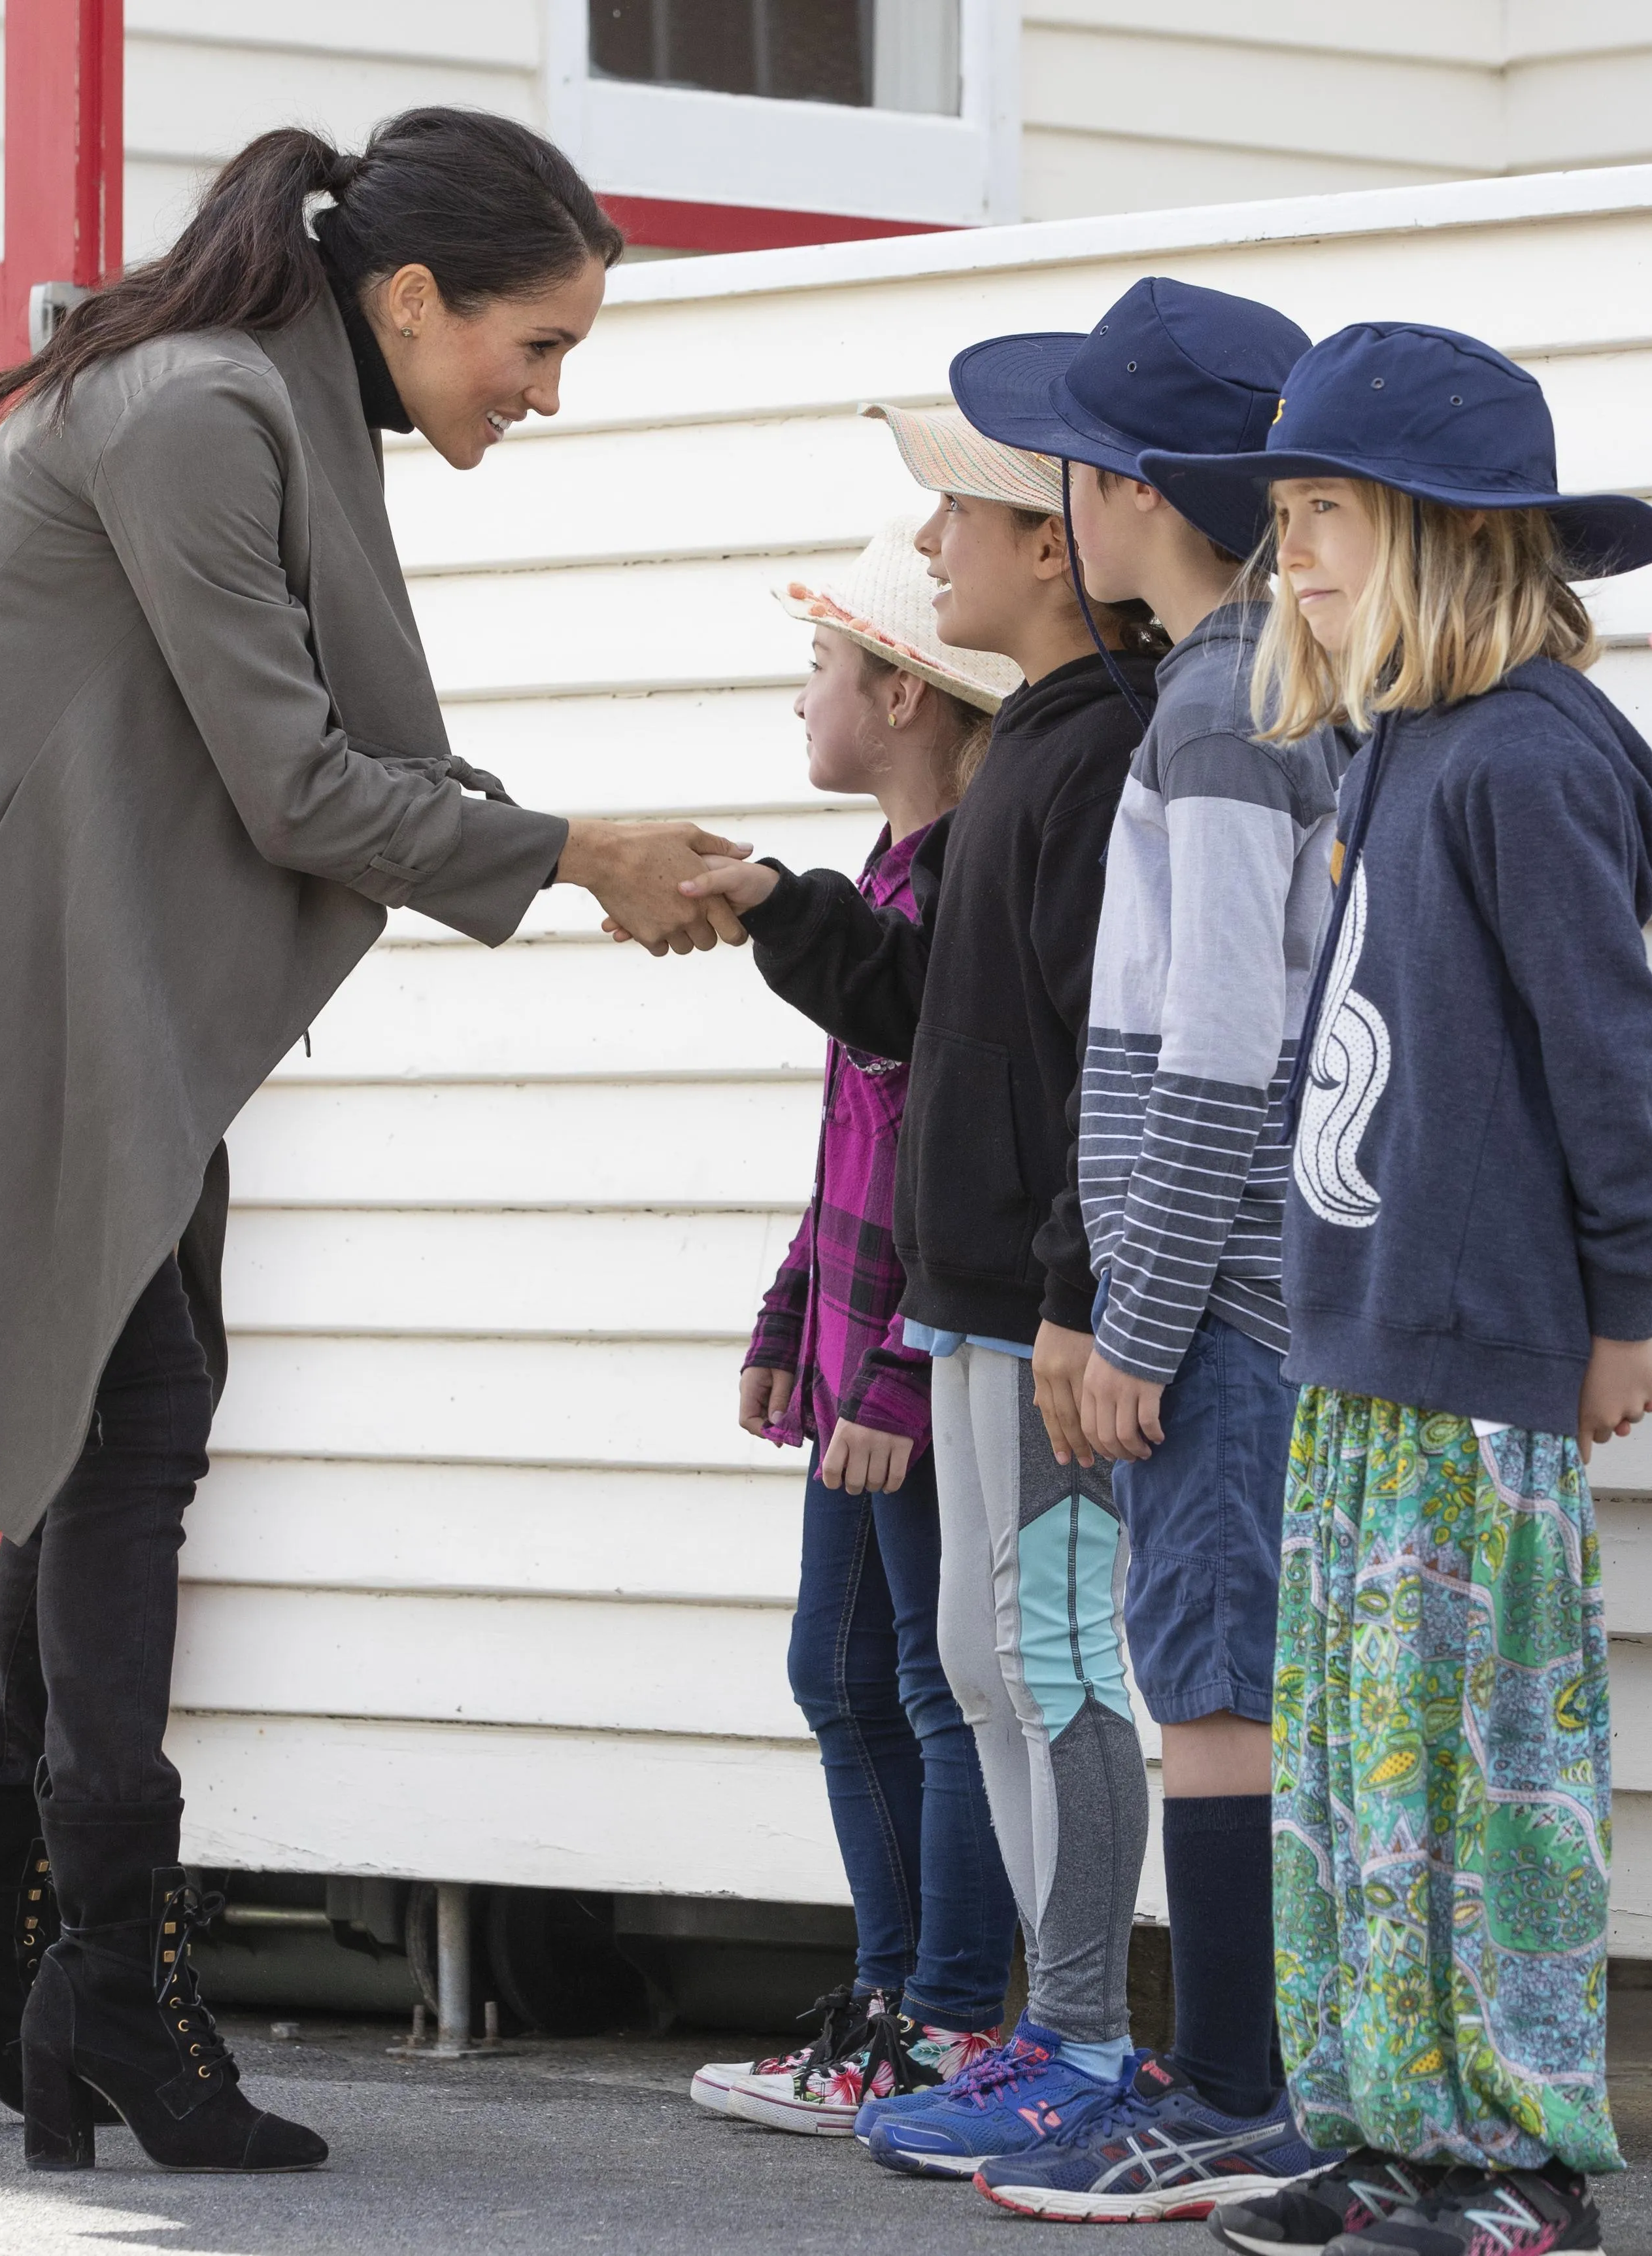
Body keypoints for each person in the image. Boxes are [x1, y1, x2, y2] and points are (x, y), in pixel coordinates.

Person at [0, 108, 749, 2174]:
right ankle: (104, 1968)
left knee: (113, 1389)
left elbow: (315, 752)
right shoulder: (200, 406)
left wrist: (571, 852)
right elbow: (292, 785)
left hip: (67, 898)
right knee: (133, 1410)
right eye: (533, 349)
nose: (543, 396)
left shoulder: (266, 393)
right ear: (410, 296)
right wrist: (570, 853)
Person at [1138, 322, 1652, 2256]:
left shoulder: (1527, 760)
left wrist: (1620, 1308)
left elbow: (1610, 1070)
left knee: (1483, 1784)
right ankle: (1385, 2126)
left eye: (1321, 518)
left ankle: (1515, 2158)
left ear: (1446, 539)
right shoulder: (1392, 752)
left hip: (1484, 1353)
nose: (1283, 554)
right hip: (1362, 1343)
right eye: (1281, 514)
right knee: (1364, 1782)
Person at [674, 385, 1160, 2182]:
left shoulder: (1099, 751)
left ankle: (1061, 2029)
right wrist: (777, 908)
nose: (936, 541)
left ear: (1051, 543)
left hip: (1017, 1313)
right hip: (956, 1305)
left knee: (1029, 1660)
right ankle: (1037, 2029)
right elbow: (925, 1045)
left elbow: (1103, 1064)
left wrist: (1073, 1287)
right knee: (967, 1657)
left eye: (954, 514)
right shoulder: (1034, 751)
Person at [944, 276, 1340, 2225]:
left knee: (1206, 1681)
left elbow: (1209, 1061)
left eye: (1072, 460)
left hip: (1227, 1294)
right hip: (1259, 1280)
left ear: (1125, 491)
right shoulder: (1261, 681)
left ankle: (1231, 2090)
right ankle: (1239, 2079)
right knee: (1217, 1670)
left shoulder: (1215, 705)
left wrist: (1131, 1311)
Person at [688, 519, 1019, 2134]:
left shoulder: (960, 889)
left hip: (913, 1369)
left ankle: (951, 2013)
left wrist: (891, 1365)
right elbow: (857, 1151)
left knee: (934, 1679)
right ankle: (890, 1998)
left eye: (820, 668)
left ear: (901, 698)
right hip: (850, 1361)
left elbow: (960, 1165)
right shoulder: (890, 876)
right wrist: (785, 1312)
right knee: (840, 1669)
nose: (799, 701)